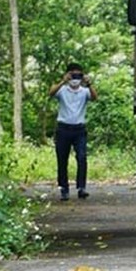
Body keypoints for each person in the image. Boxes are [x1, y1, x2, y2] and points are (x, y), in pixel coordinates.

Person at [49, 62, 97, 201]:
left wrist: (89, 83)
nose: (76, 78)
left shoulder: (84, 91)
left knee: (82, 157)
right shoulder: (63, 90)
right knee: (62, 159)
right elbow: (51, 93)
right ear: (68, 75)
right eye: (73, 74)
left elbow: (94, 97)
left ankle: (81, 187)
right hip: (63, 128)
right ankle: (64, 188)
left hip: (79, 129)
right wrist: (63, 81)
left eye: (78, 75)